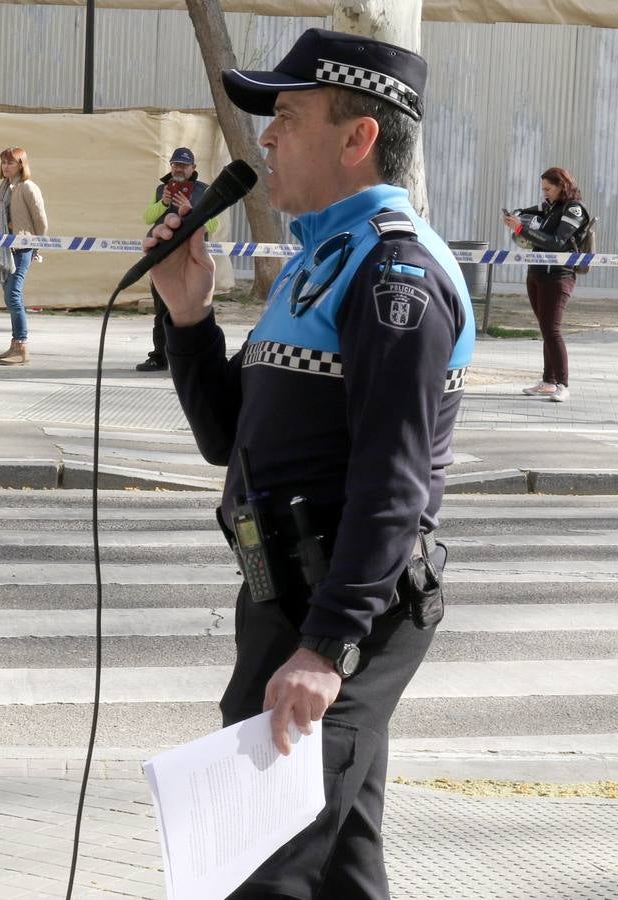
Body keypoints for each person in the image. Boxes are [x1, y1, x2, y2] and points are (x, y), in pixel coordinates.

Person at [149, 29, 474, 899]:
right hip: (288, 589)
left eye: (284, 117)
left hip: (343, 607)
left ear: (356, 136)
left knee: (263, 865)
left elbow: (393, 483)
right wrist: (189, 322)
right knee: (334, 867)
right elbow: (232, 441)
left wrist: (327, 647)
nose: (264, 139)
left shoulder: (392, 275)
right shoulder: (321, 261)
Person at [504, 167, 588, 404]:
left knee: (552, 331)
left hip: (559, 276)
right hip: (536, 274)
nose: (545, 194)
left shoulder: (573, 208)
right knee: (546, 330)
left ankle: (563, 384)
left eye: (549, 189)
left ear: (562, 185)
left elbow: (557, 243)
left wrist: (521, 229)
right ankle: (548, 382)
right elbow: (528, 213)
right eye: (543, 189)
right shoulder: (549, 207)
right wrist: (516, 217)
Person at [136, 148, 218, 373]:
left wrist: (192, 210)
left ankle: (199, 356)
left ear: (193, 168)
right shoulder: (162, 189)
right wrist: (163, 203)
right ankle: (159, 355)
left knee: (197, 309)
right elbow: (147, 218)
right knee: (162, 310)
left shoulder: (204, 191)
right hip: (164, 257)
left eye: (183, 165)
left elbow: (213, 226)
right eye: (175, 165)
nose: (179, 169)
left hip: (192, 259)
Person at [0, 147, 47, 367]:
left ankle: (22, 345)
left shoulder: (28, 187)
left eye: (11, 162)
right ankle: (15, 344)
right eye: (4, 162)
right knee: (9, 295)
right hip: (5, 247)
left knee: (13, 295)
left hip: (22, 247)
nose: (6, 166)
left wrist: (36, 246)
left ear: (21, 165)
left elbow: (40, 220)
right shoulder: (4, 187)